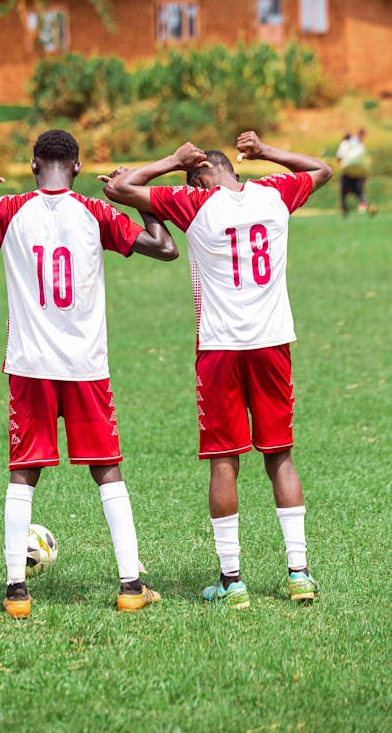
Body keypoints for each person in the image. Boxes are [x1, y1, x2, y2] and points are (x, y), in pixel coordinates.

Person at [0, 129, 179, 618]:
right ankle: (131, 584)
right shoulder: (98, 212)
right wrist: (135, 195)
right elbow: (164, 247)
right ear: (79, 168)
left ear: (33, 165)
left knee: (24, 473)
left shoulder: (7, 210)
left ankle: (16, 592)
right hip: (86, 365)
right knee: (107, 470)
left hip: (30, 365)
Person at [102, 130, 333, 608]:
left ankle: (233, 582)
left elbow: (119, 190)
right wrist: (268, 152)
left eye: (194, 177)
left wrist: (170, 161)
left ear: (202, 175)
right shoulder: (273, 193)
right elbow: (322, 170)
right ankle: (299, 574)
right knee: (280, 457)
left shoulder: (195, 203)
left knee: (224, 460)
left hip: (221, 349)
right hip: (272, 344)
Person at [336, 128, 370, 215]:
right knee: (359, 191)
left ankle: (344, 209)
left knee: (344, 192)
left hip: (347, 172)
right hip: (360, 173)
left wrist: (341, 166)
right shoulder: (359, 144)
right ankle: (365, 207)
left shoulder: (345, 144)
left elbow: (339, 157)